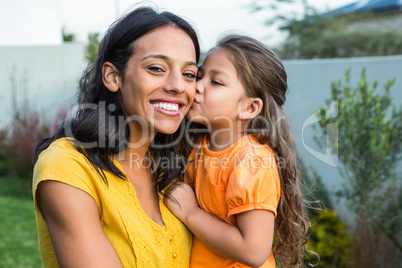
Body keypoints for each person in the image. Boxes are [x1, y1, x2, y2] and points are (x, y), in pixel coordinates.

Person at [32, 7, 200, 267]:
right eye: (157, 68)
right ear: (113, 76)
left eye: (189, 74)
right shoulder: (67, 167)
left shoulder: (173, 165)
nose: (178, 86)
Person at [165, 34, 312, 268]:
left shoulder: (250, 160)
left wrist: (191, 212)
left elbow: (253, 251)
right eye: (200, 76)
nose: (197, 86)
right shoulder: (198, 145)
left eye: (216, 82)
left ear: (249, 107)